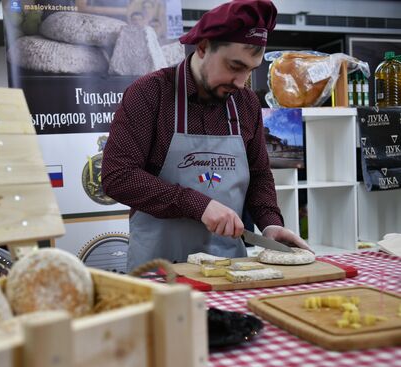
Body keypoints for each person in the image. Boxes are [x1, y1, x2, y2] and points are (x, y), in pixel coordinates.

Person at [101, 0, 312, 271]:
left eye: (250, 70)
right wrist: (197, 204)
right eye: (235, 66)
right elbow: (117, 176)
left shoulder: (246, 103)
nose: (241, 81)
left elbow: (259, 174)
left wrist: (270, 223)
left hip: (231, 268)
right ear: (203, 47)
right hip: (160, 269)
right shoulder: (150, 93)